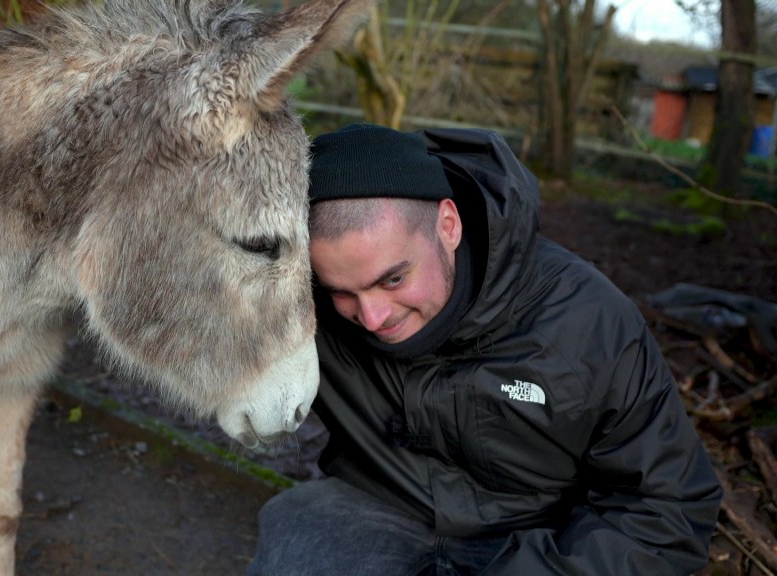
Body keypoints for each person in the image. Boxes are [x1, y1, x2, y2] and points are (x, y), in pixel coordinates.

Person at [248, 124, 723, 575]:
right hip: (381, 505)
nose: (373, 317)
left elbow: (669, 509)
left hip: (540, 539)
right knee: (295, 524)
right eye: (341, 292)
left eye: (393, 278)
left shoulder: (588, 322)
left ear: (448, 225)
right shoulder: (305, 310)